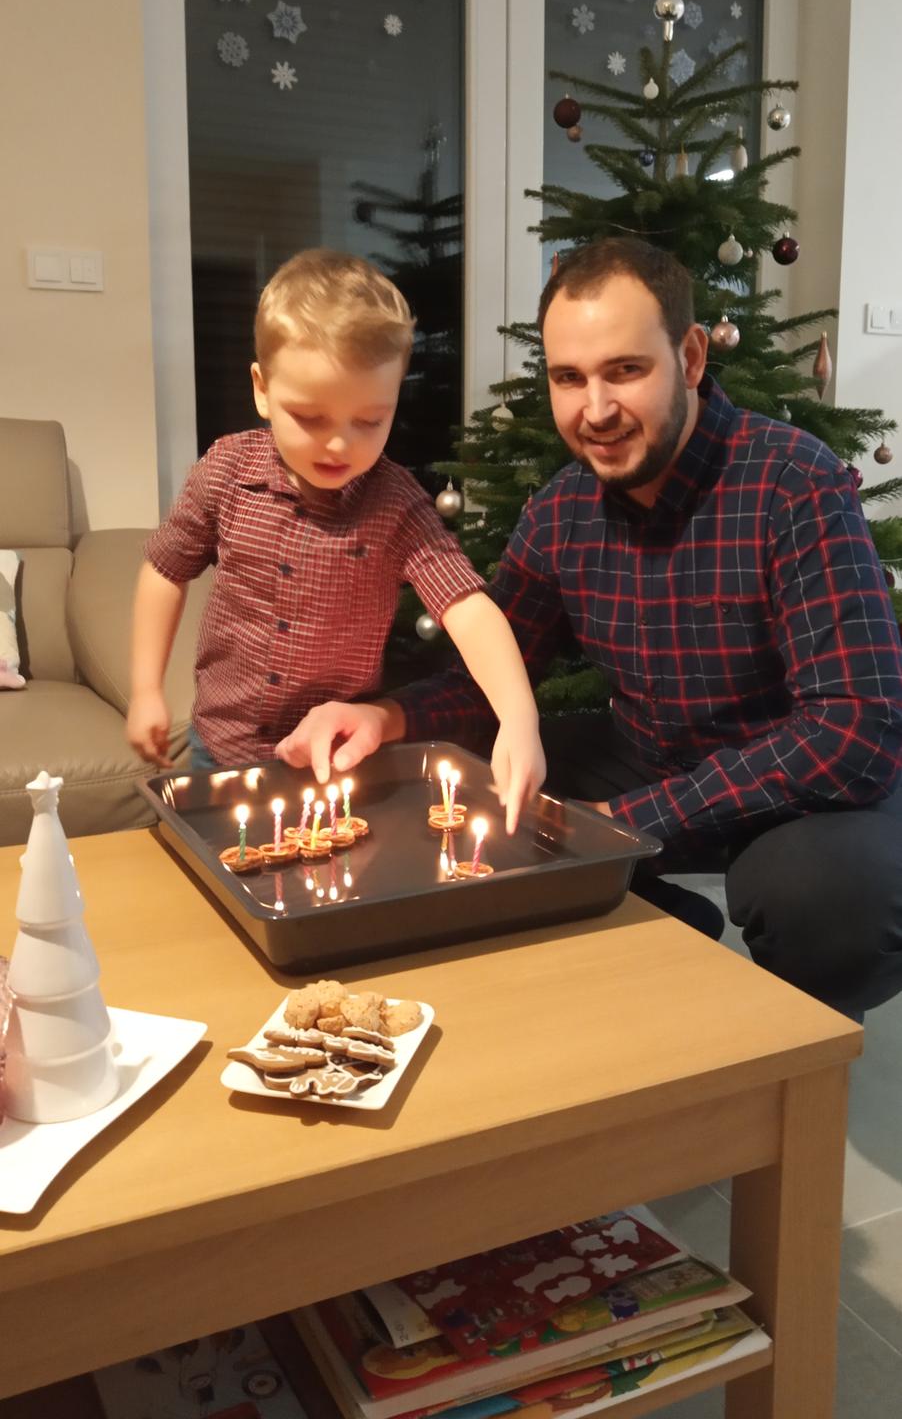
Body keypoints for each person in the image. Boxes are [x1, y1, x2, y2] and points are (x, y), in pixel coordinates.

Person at [276, 238, 902, 1018]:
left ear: (691, 357)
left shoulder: (794, 483)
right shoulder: (562, 512)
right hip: (645, 754)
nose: (595, 410)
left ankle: (803, 1059)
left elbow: (855, 729)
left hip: (800, 789)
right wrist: (383, 717)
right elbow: (491, 681)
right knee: (469, 789)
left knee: (833, 902)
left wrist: (624, 825)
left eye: (625, 371)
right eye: (569, 378)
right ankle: (665, 935)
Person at [127, 249, 545, 832]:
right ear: (262, 389)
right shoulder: (226, 470)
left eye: (370, 421)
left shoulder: (397, 504)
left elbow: (467, 607)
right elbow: (164, 569)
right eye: (310, 417)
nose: (340, 445)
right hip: (220, 748)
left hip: (335, 757)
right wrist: (146, 687)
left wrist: (519, 718)